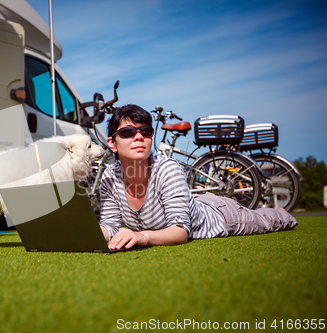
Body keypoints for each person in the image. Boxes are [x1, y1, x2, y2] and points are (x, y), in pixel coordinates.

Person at [99, 104, 298, 250]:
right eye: (127, 132)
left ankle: (280, 212)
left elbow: (179, 232)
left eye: (146, 131)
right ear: (112, 143)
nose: (139, 137)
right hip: (193, 203)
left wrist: (141, 236)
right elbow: (110, 225)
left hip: (221, 217)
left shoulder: (167, 169)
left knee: (266, 221)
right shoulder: (109, 176)